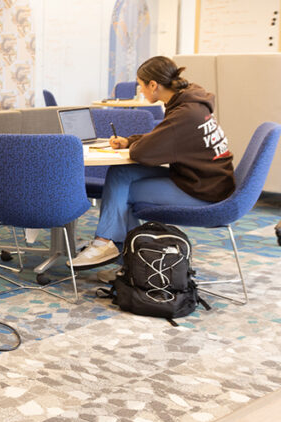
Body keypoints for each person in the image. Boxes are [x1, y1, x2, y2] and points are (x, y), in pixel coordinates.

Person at [72, 56, 235, 268]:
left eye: (141, 86)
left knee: (123, 193)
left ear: (153, 85)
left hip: (203, 191)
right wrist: (130, 141)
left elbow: (143, 154)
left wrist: (134, 145)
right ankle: (120, 254)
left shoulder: (185, 113)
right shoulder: (188, 102)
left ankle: (117, 251)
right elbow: (161, 136)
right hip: (205, 179)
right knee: (121, 174)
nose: (140, 92)